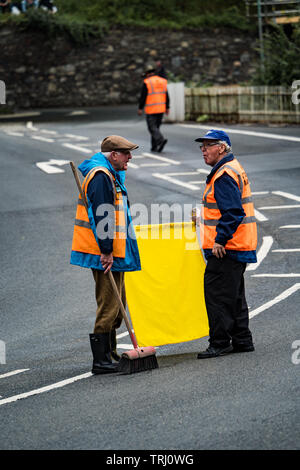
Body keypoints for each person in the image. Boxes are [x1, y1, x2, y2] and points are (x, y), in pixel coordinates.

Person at [70, 135, 141, 374]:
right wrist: (107, 251)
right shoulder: (101, 176)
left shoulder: (108, 174)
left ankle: (110, 354)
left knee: (117, 305)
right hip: (104, 253)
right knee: (109, 304)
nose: (130, 157)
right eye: (126, 153)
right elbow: (104, 216)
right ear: (113, 155)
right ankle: (101, 361)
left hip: (111, 250)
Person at [192, 129, 257, 359]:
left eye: (208, 145)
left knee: (216, 294)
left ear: (221, 148)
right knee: (235, 294)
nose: (203, 150)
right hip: (239, 244)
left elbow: (232, 212)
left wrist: (220, 240)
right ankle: (242, 340)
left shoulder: (224, 175)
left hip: (226, 247)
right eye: (202, 146)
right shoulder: (231, 168)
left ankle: (220, 342)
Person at [138, 63, 170, 153]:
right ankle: (154, 147)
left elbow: (143, 96)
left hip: (151, 109)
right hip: (161, 108)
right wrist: (167, 107)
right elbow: (166, 95)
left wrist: (140, 108)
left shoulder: (147, 82)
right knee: (156, 128)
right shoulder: (162, 81)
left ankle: (160, 140)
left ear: (147, 74)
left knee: (152, 127)